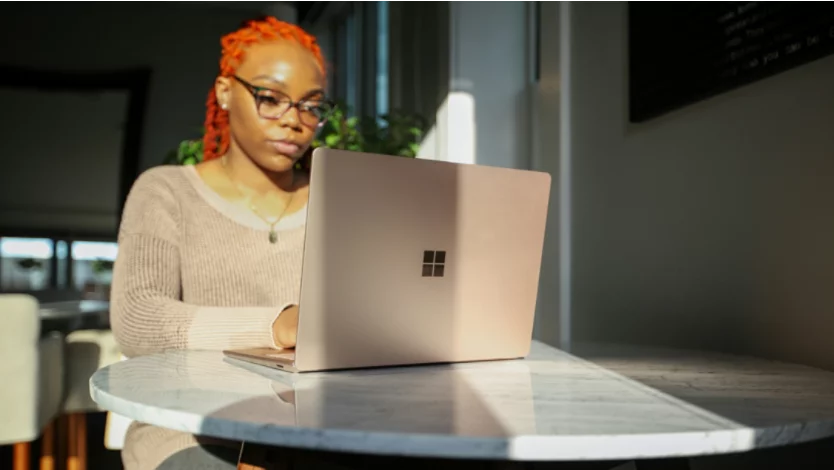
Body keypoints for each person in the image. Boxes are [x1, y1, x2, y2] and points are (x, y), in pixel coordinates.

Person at [110, 16, 333, 469]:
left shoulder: (339, 201)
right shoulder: (166, 192)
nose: (293, 121)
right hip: (190, 427)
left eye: (311, 106)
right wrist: (276, 325)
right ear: (225, 91)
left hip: (321, 429)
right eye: (270, 99)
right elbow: (137, 318)